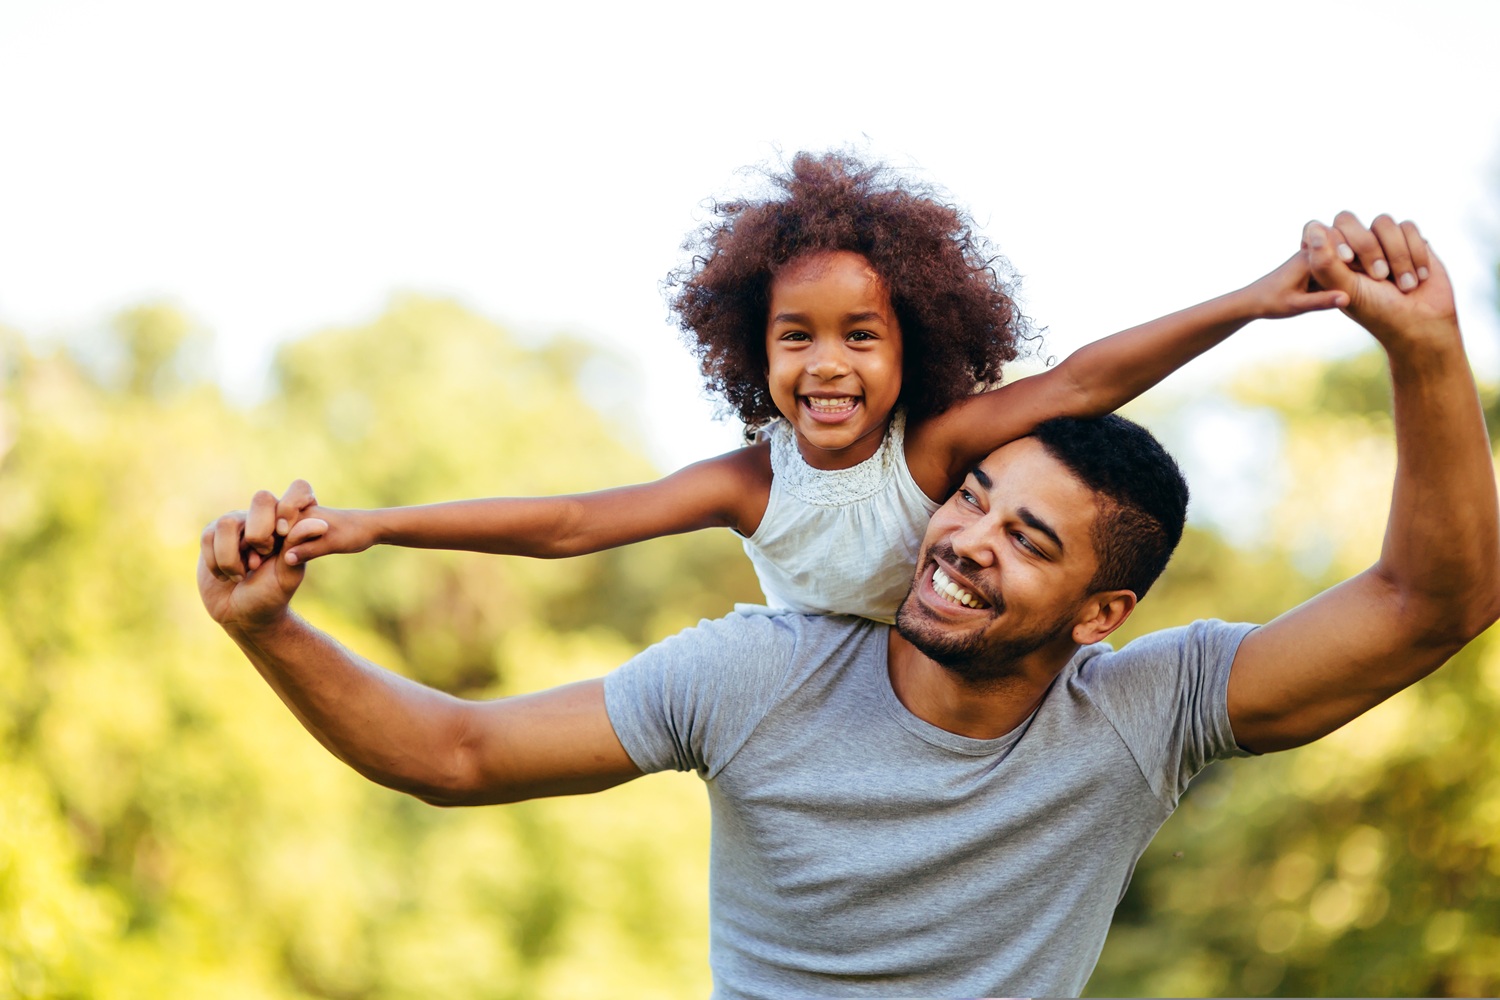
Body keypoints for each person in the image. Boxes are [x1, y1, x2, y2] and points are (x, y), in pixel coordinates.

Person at [199, 212, 1498, 998]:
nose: (964, 537)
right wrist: (273, 626)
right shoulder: (759, 672)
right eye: (973, 496)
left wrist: (1427, 350)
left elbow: (1432, 603)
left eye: (1026, 537)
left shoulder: (1144, 714)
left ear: (1099, 612)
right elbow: (455, 748)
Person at [254, 152, 1351, 623]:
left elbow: (1084, 379)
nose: (827, 364)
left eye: (861, 335)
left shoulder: (930, 454)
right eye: (796, 337)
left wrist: (1249, 301)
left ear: (911, 345)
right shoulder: (750, 482)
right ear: (754, 349)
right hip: (813, 709)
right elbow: (575, 522)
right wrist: (374, 525)